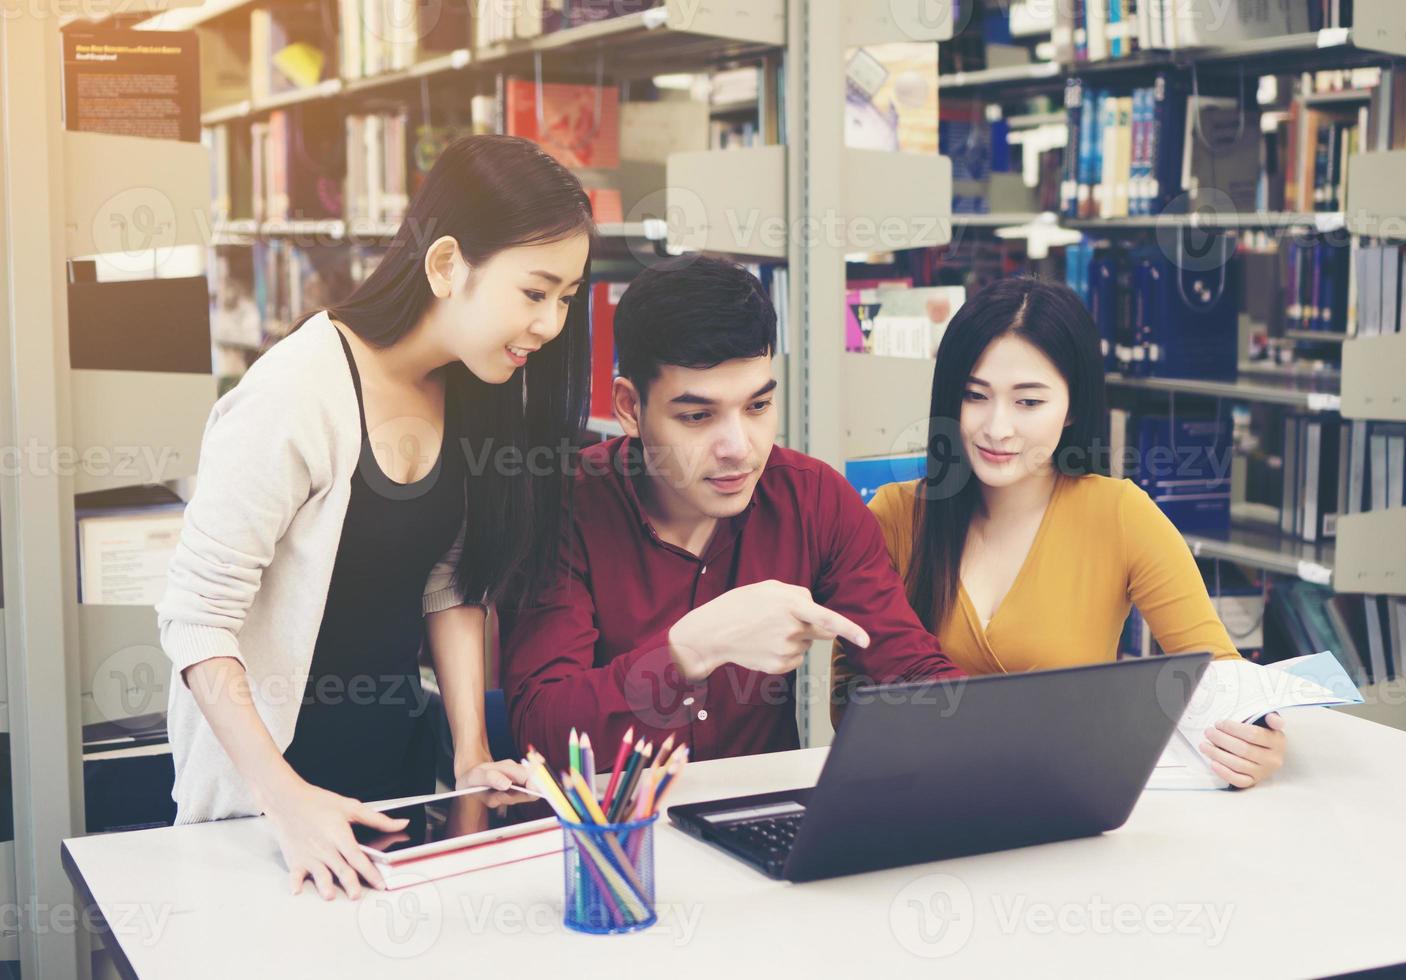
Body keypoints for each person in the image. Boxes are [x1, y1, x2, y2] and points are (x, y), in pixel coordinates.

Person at [156, 135, 594, 899]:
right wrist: (284, 798)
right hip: (269, 805)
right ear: (448, 264)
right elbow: (196, 620)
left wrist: (469, 758)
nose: (552, 324)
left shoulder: (472, 384)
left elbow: (450, 582)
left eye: (567, 297)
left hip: (398, 781)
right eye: (535, 292)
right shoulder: (296, 394)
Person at [500, 255, 963, 771]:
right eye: (698, 416)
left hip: (753, 829)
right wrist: (691, 648)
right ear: (630, 408)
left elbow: (908, 667)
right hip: (611, 837)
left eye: (758, 407)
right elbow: (541, 728)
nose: (739, 448)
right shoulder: (565, 505)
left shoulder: (816, 500)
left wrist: (1010, 734)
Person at [833, 276, 1287, 789]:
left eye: (1029, 402)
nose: (997, 428)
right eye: (974, 396)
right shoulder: (897, 513)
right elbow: (848, 699)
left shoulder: (1119, 514)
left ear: (1071, 408)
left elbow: (1218, 673)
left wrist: (1254, 740)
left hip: (1067, 803)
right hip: (919, 796)